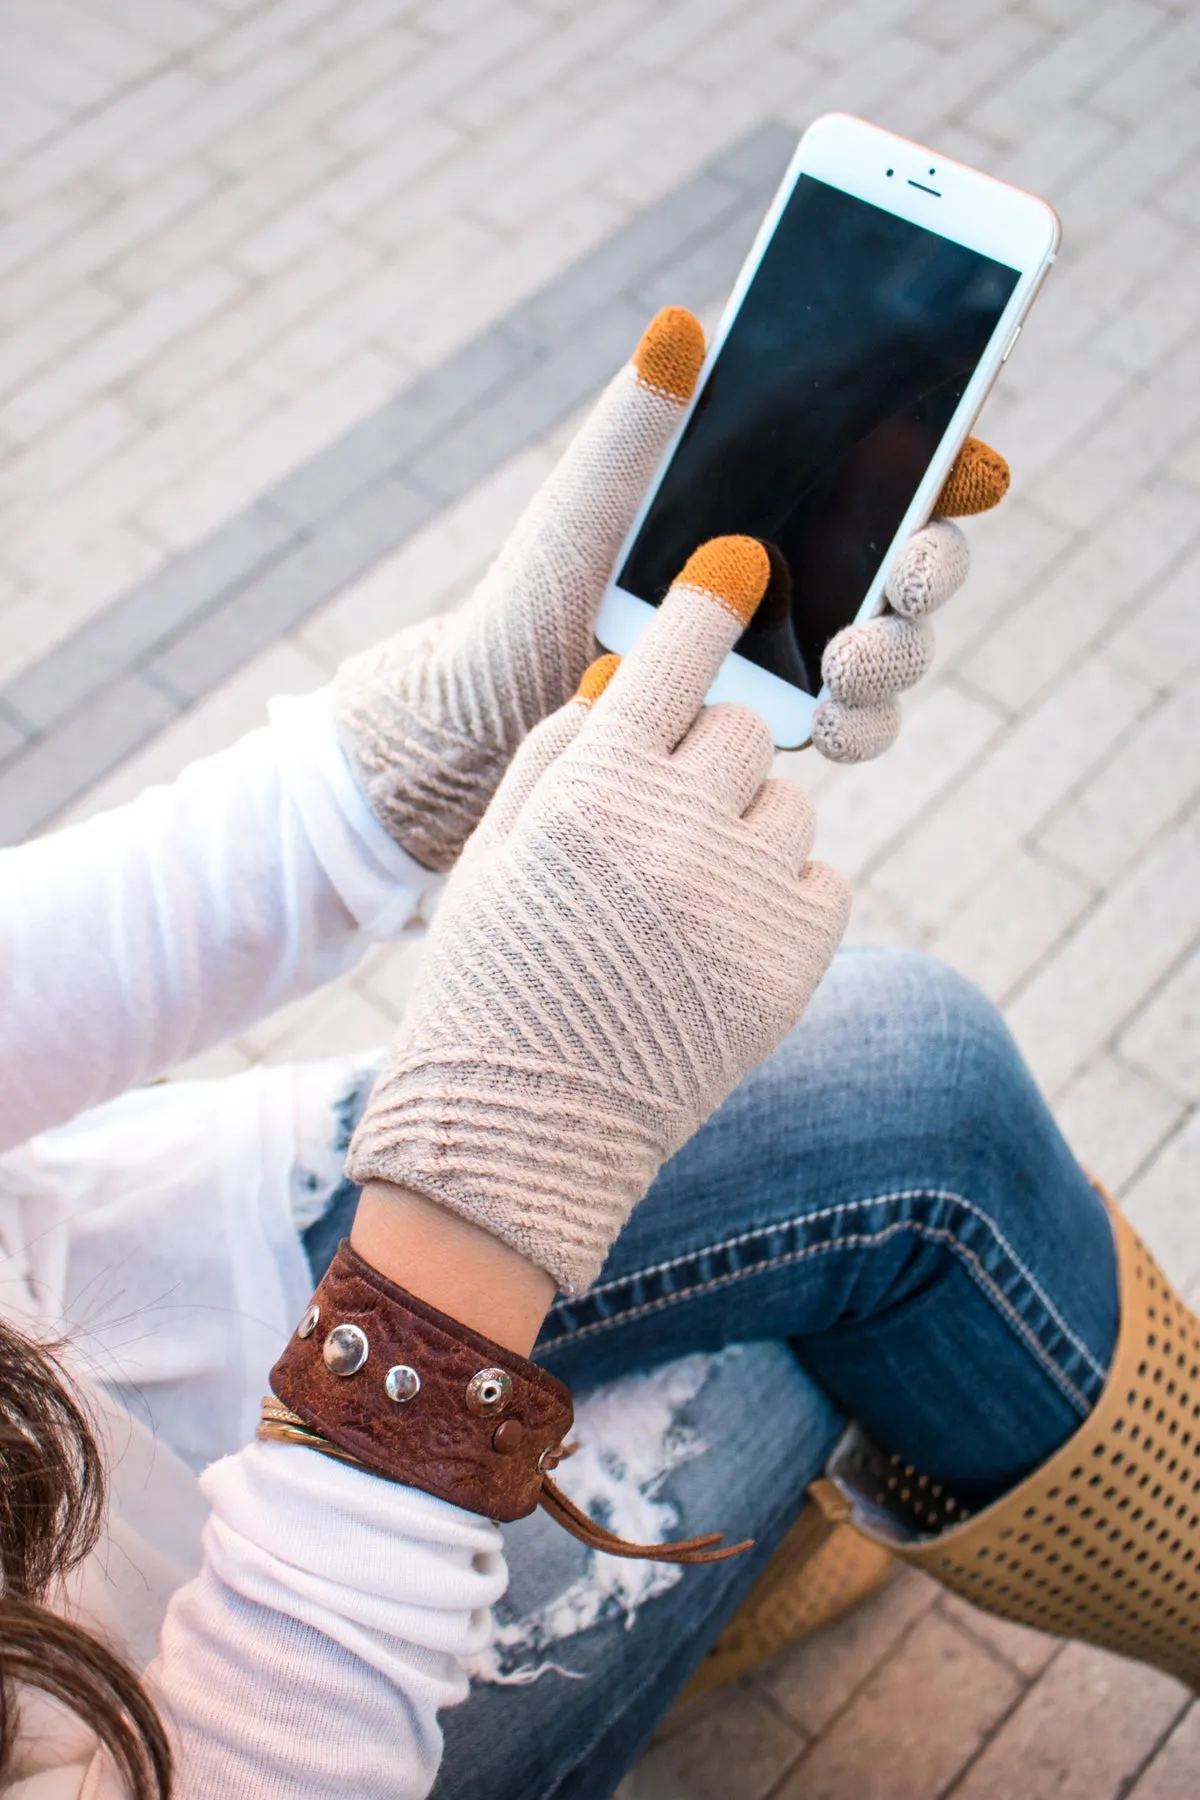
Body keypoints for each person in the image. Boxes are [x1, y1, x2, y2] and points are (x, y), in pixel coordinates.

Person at [0, 308, 1192, 1800]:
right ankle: (729, 1580)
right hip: (241, 1694)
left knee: (918, 1070)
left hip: (151, 1285)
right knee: (780, 1357)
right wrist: (487, 1196)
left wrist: (437, 740)